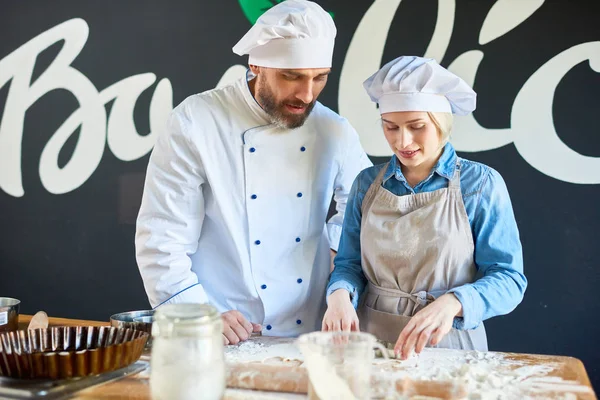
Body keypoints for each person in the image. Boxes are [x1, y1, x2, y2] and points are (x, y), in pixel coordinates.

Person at [135, 0, 372, 345]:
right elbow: (161, 239)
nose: (307, 94)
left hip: (309, 329)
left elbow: (367, 209)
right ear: (257, 65)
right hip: (220, 326)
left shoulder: (334, 130)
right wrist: (196, 313)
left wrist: (335, 250)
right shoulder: (197, 121)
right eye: (292, 76)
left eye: (319, 78)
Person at [322, 56, 527, 359]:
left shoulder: (480, 184)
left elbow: (509, 279)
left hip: (448, 346)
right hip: (369, 343)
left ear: (441, 123)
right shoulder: (366, 184)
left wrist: (455, 301)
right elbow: (349, 265)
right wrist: (338, 293)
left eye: (417, 126)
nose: (403, 141)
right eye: (390, 127)